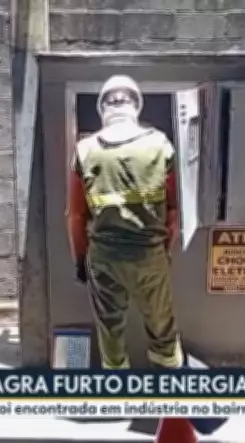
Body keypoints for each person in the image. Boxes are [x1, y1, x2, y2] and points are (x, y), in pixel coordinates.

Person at [66, 75, 183, 370]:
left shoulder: (85, 149)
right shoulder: (160, 144)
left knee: (110, 331)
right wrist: (163, 250)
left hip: (104, 258)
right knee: (162, 328)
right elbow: (173, 210)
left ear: (102, 108)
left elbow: (76, 215)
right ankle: (169, 381)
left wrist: (80, 261)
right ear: (136, 105)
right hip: (150, 256)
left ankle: (117, 383)